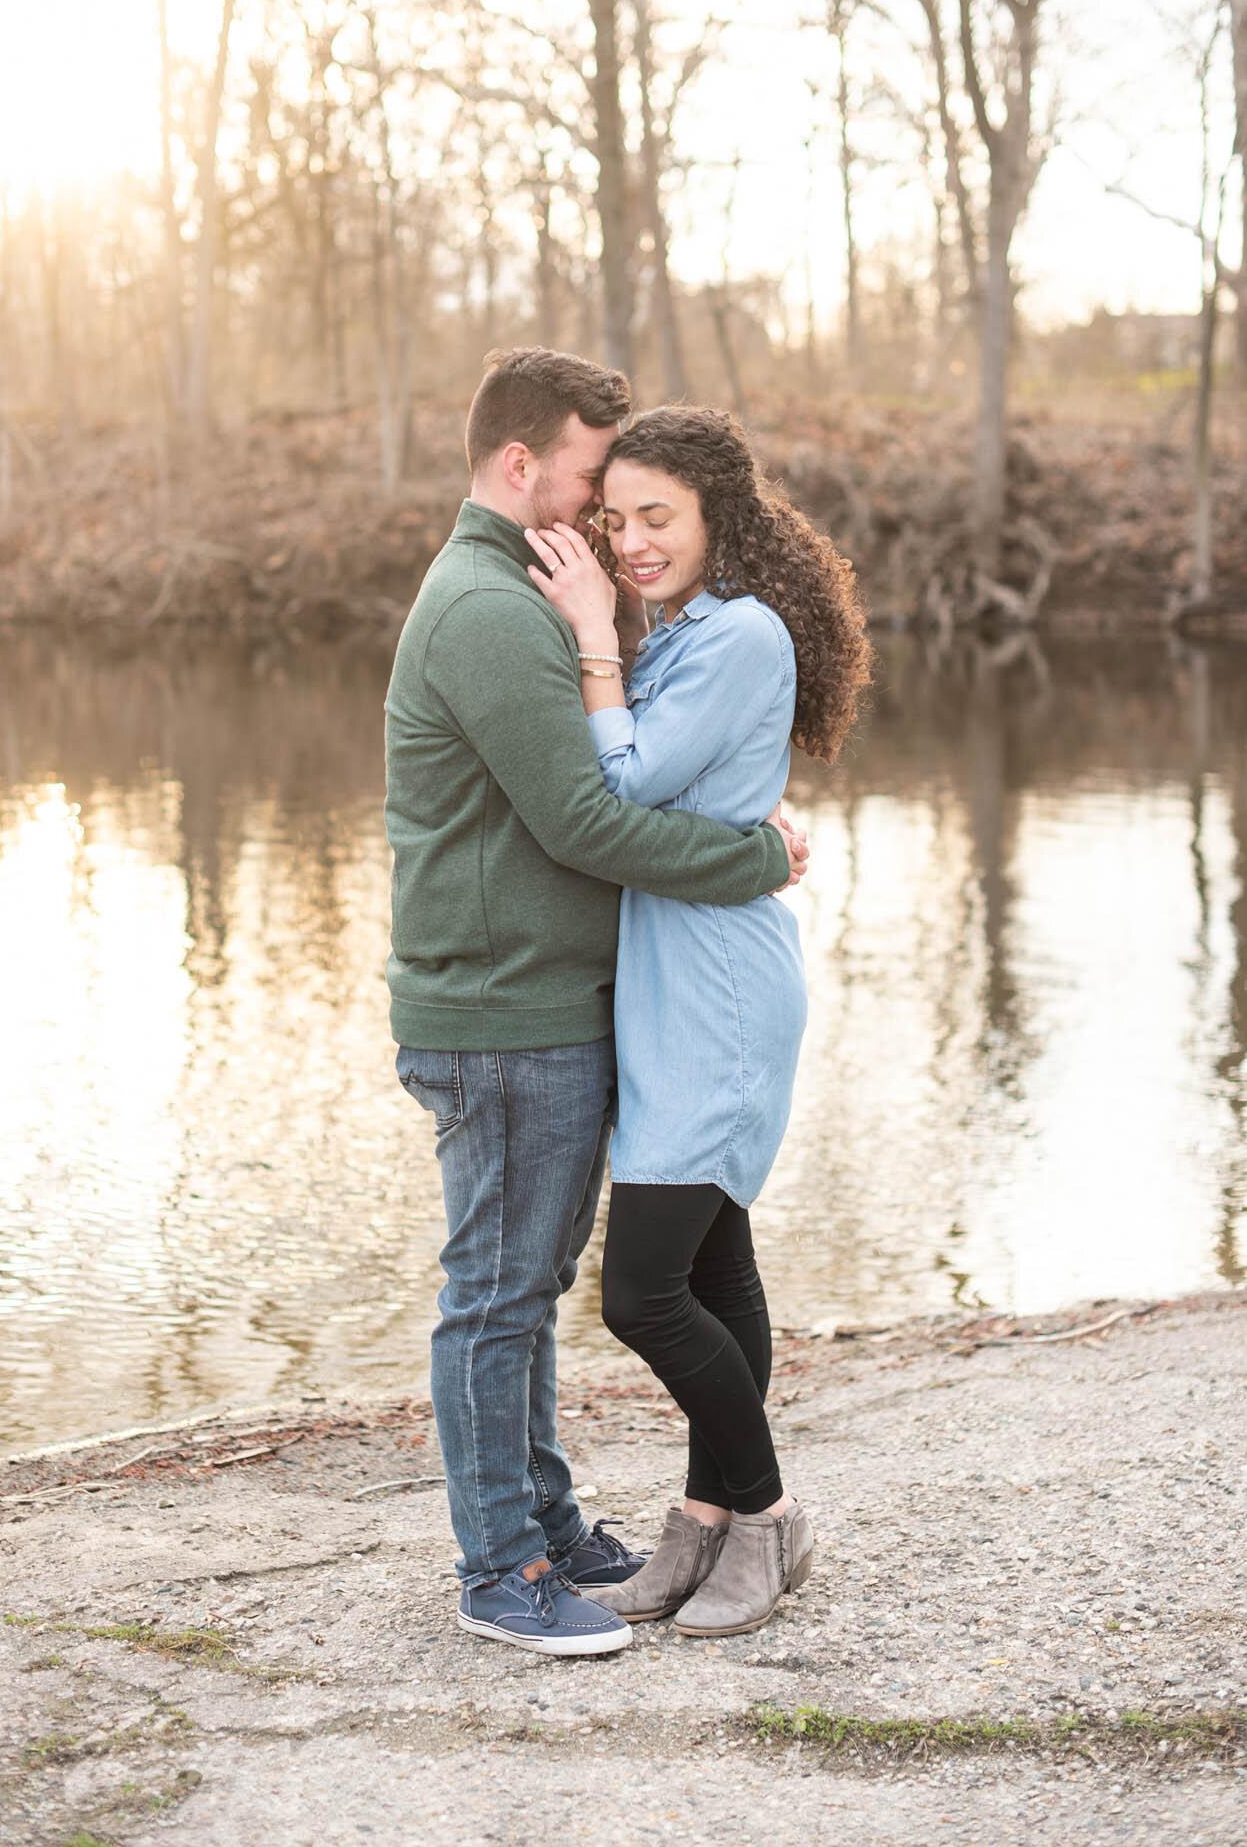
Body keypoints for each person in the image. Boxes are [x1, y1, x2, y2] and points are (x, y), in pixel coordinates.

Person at [384, 350, 809, 1658]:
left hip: (572, 1006)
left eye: (639, 509)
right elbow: (585, 816)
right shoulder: (492, 611)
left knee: (548, 1281)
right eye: (587, 485)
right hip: (504, 1011)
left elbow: (643, 771)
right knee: (505, 1293)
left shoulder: (547, 596)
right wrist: (751, 859)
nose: (602, 521)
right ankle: (502, 1564)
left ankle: (561, 1524)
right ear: (522, 467)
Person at [522, 404, 871, 1638]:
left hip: (718, 986)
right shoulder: (691, 628)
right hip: (678, 976)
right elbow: (673, 790)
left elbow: (622, 783)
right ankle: (702, 1524)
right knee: (717, 1269)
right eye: (613, 520)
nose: (629, 542)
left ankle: (766, 1515)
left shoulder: (742, 634)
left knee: (641, 1290)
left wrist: (587, 639)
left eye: (655, 516)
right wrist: (618, 633)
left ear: (719, 512)